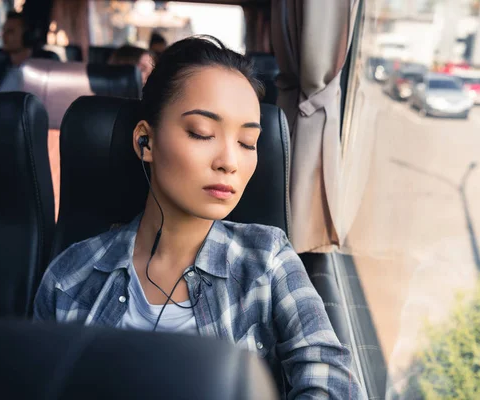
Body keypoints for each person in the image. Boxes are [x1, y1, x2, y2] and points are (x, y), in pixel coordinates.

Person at [33, 35, 363, 399]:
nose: (229, 162)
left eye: (248, 143)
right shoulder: (70, 277)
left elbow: (332, 380)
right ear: (146, 141)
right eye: (202, 133)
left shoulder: (267, 260)